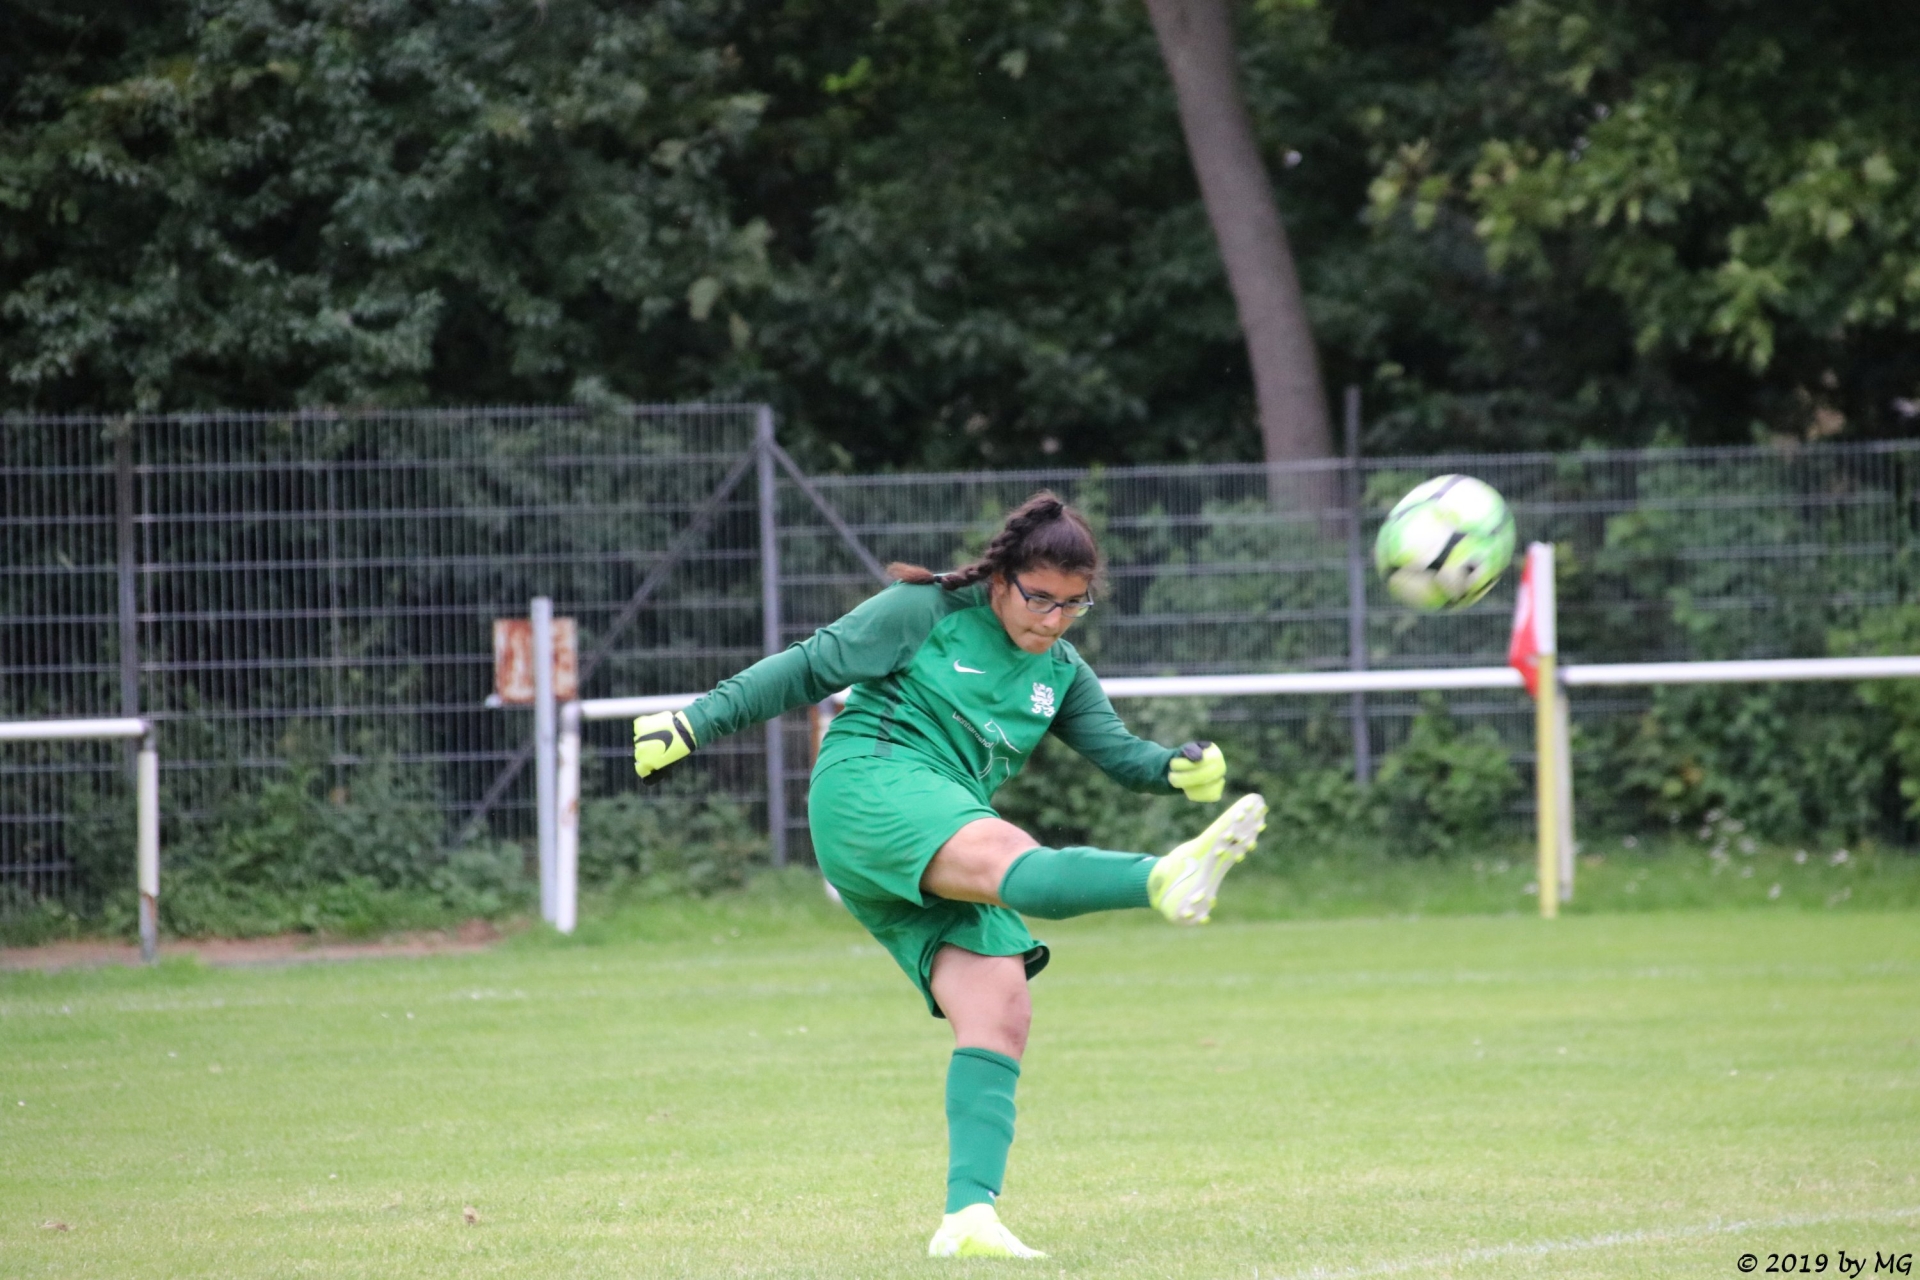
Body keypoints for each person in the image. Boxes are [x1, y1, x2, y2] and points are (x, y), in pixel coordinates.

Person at [631, 490, 1266, 1259]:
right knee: (1007, 856)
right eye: (1039, 598)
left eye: (1073, 604)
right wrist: (693, 721)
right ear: (1000, 579)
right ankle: (1161, 878)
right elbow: (808, 666)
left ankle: (968, 1219)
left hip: (939, 816)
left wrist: (1177, 770)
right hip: (871, 783)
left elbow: (1122, 754)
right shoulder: (924, 610)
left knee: (1000, 1006)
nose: (1054, 620)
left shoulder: (1062, 673)